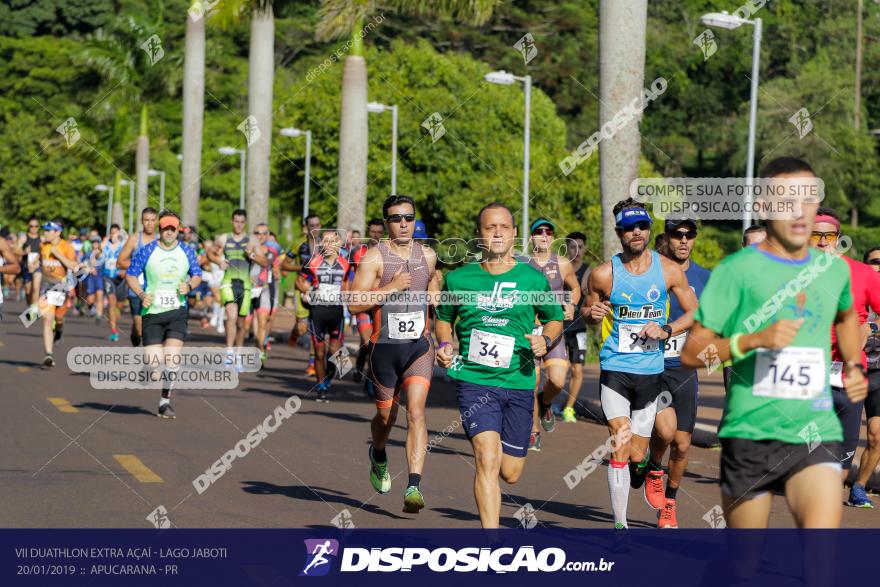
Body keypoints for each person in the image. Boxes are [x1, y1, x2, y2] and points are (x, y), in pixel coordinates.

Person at [680, 157, 868, 529]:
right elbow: (691, 352)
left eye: (809, 198)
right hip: (751, 433)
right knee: (746, 564)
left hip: (816, 430)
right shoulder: (737, 271)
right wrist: (754, 339)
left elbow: (847, 316)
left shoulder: (835, 270)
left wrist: (853, 363)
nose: (800, 211)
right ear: (765, 207)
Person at [435, 202, 563, 528]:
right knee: (486, 459)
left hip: (519, 381)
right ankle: (492, 546)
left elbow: (554, 320)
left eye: (504, 227)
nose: (497, 233)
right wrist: (446, 345)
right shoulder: (458, 279)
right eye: (490, 227)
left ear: (515, 233)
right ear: (479, 234)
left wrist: (545, 341)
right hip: (474, 379)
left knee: (511, 473)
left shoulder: (533, 280)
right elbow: (443, 320)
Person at [583, 199, 697, 529]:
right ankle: (621, 526)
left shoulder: (668, 270)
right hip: (615, 368)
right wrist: (592, 313)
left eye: (642, 226)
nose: (637, 232)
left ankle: (644, 464)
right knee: (620, 439)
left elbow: (693, 312)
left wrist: (667, 329)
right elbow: (587, 312)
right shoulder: (603, 274)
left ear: (649, 230)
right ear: (619, 232)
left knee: (636, 453)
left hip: (650, 373)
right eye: (630, 227)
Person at [349, 195, 439, 512]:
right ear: (386, 223)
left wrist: (440, 310)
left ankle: (413, 486)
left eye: (408, 218)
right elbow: (355, 302)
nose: (403, 224)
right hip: (384, 349)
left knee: (416, 412)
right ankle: (379, 452)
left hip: (418, 347)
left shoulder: (428, 256)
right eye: (396, 218)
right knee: (386, 417)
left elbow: (434, 294)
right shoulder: (374, 258)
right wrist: (391, 287)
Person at [810, 206, 880, 507]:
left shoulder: (863, 274)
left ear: (839, 238)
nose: (823, 241)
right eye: (816, 235)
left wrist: (870, 325)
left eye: (830, 235)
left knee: (838, 466)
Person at [643, 218, 711, 528]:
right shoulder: (650, 272)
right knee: (666, 432)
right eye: (677, 234)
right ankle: (655, 465)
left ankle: (669, 504)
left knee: (683, 444)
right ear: (667, 238)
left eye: (689, 234)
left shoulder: (705, 278)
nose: (684, 240)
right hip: (652, 365)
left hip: (684, 369)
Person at [125, 211, 203, 419]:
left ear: (178, 230)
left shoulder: (187, 251)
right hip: (152, 312)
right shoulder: (147, 251)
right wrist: (141, 294)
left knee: (172, 358)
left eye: (173, 228)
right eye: (166, 228)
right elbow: (130, 274)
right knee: (154, 366)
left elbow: (197, 275)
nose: (169, 232)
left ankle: (164, 402)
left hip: (177, 311)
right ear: (160, 229)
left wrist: (189, 285)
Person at [524, 218, 581, 451]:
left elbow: (575, 288)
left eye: (549, 232)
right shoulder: (522, 264)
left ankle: (545, 402)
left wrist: (572, 304)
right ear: (531, 238)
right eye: (539, 231)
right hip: (530, 331)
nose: (545, 235)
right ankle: (533, 431)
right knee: (533, 382)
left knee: (557, 381)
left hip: (554, 330)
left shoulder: (562, 263)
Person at [297, 229, 349, 402]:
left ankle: (328, 376)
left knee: (335, 351)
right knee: (319, 353)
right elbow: (299, 280)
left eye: (332, 241)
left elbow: (348, 283)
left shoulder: (346, 262)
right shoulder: (313, 262)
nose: (329, 244)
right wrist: (308, 291)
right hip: (317, 311)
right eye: (325, 241)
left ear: (339, 243)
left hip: (336, 311)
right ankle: (320, 387)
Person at [208, 209, 267, 353]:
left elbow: (264, 261)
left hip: (245, 285)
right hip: (228, 282)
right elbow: (209, 252)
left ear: (245, 223)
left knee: (241, 324)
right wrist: (218, 261)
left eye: (241, 222)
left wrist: (252, 255)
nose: (239, 225)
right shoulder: (224, 238)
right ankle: (229, 351)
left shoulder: (252, 240)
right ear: (232, 222)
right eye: (236, 221)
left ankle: (238, 353)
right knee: (231, 316)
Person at [282, 213, 322, 376]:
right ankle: (295, 332)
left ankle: (312, 363)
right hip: (301, 286)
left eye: (318, 225)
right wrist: (301, 268)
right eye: (312, 225)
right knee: (302, 328)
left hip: (319, 288)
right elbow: (284, 264)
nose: (315, 228)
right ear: (307, 228)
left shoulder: (325, 244)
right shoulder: (299, 244)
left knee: (314, 327)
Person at [856, 246, 880, 507]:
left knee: (876, 434)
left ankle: (859, 487)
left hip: (879, 373)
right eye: (876, 262)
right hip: (847, 369)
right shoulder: (854, 292)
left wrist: (870, 326)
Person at [37, 221, 80, 367]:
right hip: (46, 285)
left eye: (48, 231)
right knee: (47, 319)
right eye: (45, 231)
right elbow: (37, 263)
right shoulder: (43, 246)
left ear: (57, 232)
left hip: (61, 286)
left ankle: (60, 329)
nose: (45, 233)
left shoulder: (66, 247)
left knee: (58, 318)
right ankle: (48, 354)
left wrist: (58, 255)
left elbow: (74, 267)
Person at [350, 219, 385, 389]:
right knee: (367, 340)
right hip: (363, 301)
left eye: (379, 232)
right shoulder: (357, 252)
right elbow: (348, 276)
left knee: (375, 343)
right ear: (368, 232)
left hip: (379, 303)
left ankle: (370, 380)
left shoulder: (387, 252)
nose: (376, 235)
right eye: (373, 232)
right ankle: (360, 367)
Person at [561, 231, 590, 423]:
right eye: (572, 247)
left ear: (585, 249)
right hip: (558, 327)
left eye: (580, 247)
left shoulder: (588, 272)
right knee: (559, 369)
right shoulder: (561, 268)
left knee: (577, 370)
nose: (577, 251)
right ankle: (547, 401)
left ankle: (568, 408)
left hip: (579, 328)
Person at [118, 208, 159, 346]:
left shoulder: (161, 240)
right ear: (142, 221)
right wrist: (140, 265)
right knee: (140, 330)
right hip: (136, 288)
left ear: (157, 221)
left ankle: (150, 361)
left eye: (152, 220)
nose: (149, 223)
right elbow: (121, 261)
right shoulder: (135, 239)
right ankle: (135, 332)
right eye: (146, 220)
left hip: (155, 288)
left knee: (153, 327)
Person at [250, 223, 280, 362]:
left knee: (263, 322)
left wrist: (276, 271)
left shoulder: (273, 251)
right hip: (249, 288)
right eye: (257, 233)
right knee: (246, 325)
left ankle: (260, 350)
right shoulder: (248, 247)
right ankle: (257, 345)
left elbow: (277, 265)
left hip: (265, 289)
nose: (260, 236)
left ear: (267, 235)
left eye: (263, 233)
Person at [101, 225, 127, 341]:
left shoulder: (124, 245)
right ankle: (114, 331)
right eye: (112, 233)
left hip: (120, 277)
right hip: (108, 277)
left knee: (120, 304)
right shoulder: (105, 245)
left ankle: (116, 312)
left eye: (116, 233)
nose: (113, 236)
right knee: (111, 302)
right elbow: (98, 258)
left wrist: (125, 270)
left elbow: (129, 259)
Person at [18, 217, 42, 306]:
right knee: (28, 291)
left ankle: (34, 309)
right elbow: (15, 250)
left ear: (39, 227)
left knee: (36, 287)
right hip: (26, 266)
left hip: (38, 266)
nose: (34, 228)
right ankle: (30, 305)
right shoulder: (24, 238)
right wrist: (24, 252)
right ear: (28, 227)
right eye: (31, 226)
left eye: (36, 226)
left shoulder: (42, 239)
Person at [83, 235, 105, 323]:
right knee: (90, 299)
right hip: (90, 278)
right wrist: (89, 269)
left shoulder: (103, 253)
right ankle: (92, 306)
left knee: (100, 296)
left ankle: (98, 316)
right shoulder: (88, 254)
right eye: (93, 242)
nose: (95, 244)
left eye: (97, 242)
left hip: (100, 277)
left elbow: (104, 264)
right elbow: (83, 263)